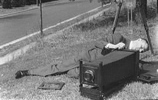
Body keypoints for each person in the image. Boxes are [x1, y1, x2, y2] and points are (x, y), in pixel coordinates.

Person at [15, 33, 149, 79]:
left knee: (72, 73)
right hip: (87, 57)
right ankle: (27, 72)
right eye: (143, 46)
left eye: (144, 51)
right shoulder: (120, 37)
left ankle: (70, 71)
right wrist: (113, 46)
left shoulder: (131, 55)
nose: (142, 50)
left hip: (94, 68)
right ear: (138, 39)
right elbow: (98, 42)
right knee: (59, 67)